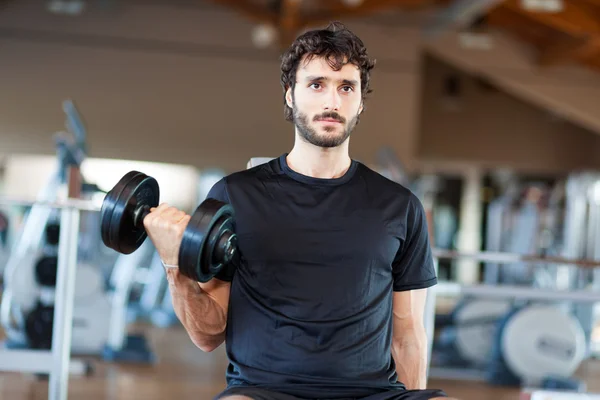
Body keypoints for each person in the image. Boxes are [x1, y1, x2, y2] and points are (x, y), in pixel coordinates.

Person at [144, 22, 456, 400]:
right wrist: (175, 267)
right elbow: (208, 336)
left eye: (346, 87)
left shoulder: (400, 206)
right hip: (264, 391)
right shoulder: (235, 195)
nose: (332, 101)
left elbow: (407, 333)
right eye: (316, 84)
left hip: (370, 394)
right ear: (290, 95)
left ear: (360, 102)